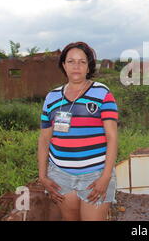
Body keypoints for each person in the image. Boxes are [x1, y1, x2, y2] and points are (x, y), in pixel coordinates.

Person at [37, 41, 119, 221]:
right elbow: (44, 138)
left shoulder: (102, 93)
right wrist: (43, 175)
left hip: (95, 174)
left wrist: (105, 177)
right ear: (64, 65)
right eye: (71, 61)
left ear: (89, 66)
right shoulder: (52, 97)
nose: (76, 66)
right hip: (60, 175)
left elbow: (112, 137)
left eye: (82, 62)